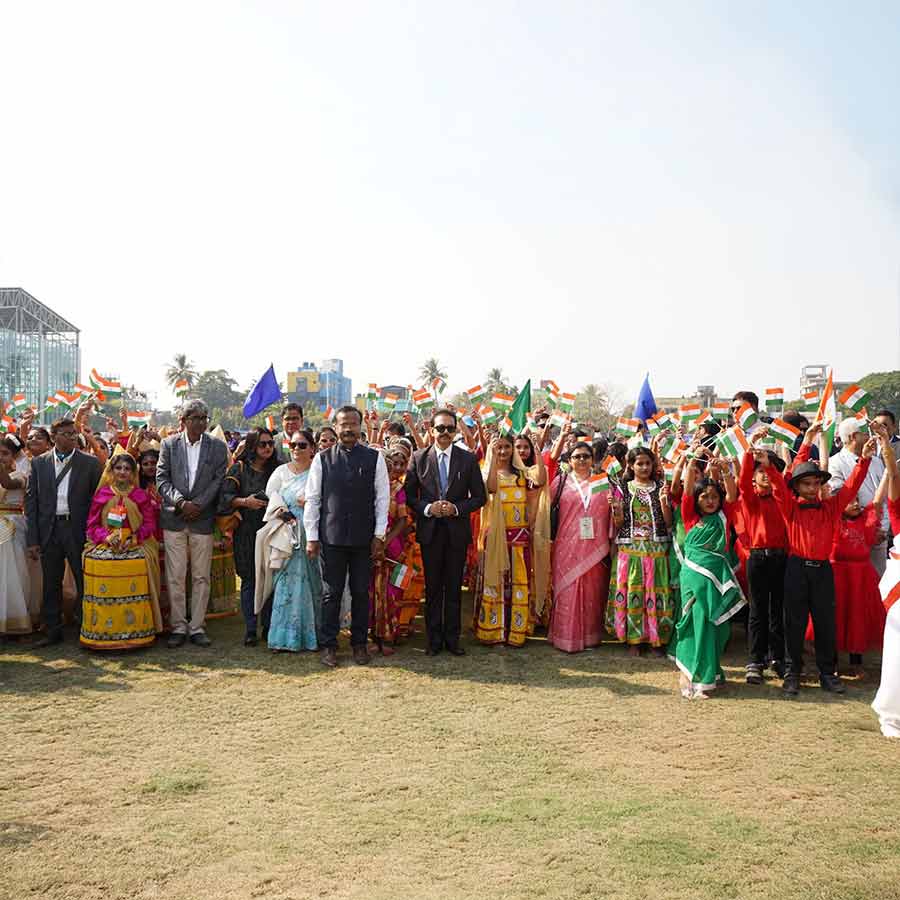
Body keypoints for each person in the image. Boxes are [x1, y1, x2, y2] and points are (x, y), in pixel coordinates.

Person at [764, 423, 874, 695]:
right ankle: (793, 673)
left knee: (826, 622)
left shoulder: (832, 507)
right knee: (794, 623)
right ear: (797, 486)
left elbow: (851, 486)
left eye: (816, 483)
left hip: (823, 570)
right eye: (806, 483)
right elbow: (778, 484)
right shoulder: (790, 507)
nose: (812, 488)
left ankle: (827, 673)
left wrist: (865, 459)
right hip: (796, 569)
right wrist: (805, 441)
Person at [304, 406, 389, 667]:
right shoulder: (322, 459)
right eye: (343, 424)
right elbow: (313, 499)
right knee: (331, 593)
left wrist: (379, 534)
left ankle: (359, 644)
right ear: (336, 427)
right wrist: (311, 536)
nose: (349, 428)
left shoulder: (374, 458)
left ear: (360, 426)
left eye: (353, 424)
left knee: (361, 592)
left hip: (364, 539)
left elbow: (382, 498)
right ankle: (329, 645)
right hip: (332, 537)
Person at [404, 408, 487, 655]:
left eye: (450, 428)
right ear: (432, 430)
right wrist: (428, 508)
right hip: (430, 532)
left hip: (456, 532)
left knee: (453, 588)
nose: (445, 433)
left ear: (455, 431)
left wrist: (456, 508)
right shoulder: (418, 458)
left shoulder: (468, 459)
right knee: (432, 588)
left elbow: (479, 497)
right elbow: (409, 496)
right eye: (440, 428)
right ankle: (433, 641)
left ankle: (452, 640)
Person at [669, 458, 745, 699]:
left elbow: (733, 495)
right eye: (704, 497)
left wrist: (725, 471)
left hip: (717, 579)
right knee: (696, 623)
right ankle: (690, 674)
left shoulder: (724, 516)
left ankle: (711, 671)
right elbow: (686, 493)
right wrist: (691, 464)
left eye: (714, 497)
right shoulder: (691, 518)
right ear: (697, 500)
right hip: (694, 579)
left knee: (718, 627)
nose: (710, 501)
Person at [156, 399, 228, 648]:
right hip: (174, 518)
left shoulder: (217, 447)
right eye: (194, 418)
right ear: (183, 420)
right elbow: (162, 479)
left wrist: (197, 504)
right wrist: (180, 503)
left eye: (203, 418)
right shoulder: (169, 444)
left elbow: (218, 480)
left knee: (200, 576)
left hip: (202, 518)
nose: (199, 422)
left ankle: (197, 626)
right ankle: (178, 626)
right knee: (175, 576)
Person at [25, 417, 102, 646]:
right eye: (66, 434)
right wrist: (33, 539)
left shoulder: (89, 463)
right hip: (49, 529)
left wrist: (94, 532)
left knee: (83, 579)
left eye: (73, 433)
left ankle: (86, 627)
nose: (72, 437)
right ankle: (52, 631)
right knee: (51, 582)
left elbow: (98, 502)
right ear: (54, 437)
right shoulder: (39, 463)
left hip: (77, 528)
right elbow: (31, 503)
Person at [80, 451, 163, 649]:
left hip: (136, 542)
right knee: (99, 560)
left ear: (133, 472)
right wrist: (107, 537)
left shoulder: (140, 495)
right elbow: (92, 525)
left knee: (137, 561)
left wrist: (133, 539)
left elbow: (149, 524)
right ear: (111, 471)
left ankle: (137, 632)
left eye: (127, 468)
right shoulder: (102, 494)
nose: (122, 472)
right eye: (118, 468)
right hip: (106, 542)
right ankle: (103, 632)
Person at [804, 476, 887, 672]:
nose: (856, 504)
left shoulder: (866, 521)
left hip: (861, 579)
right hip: (837, 577)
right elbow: (824, 497)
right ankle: (831, 661)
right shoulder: (832, 520)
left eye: (857, 500)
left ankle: (856, 660)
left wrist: (887, 473)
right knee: (834, 617)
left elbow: (877, 500)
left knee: (858, 617)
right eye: (850, 501)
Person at [474, 432, 546, 647]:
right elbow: (491, 488)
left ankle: (516, 632)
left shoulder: (522, 475)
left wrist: (537, 449)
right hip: (496, 538)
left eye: (507, 447)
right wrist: (492, 457)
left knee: (518, 585)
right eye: (499, 447)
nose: (503, 451)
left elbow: (541, 480)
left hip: (519, 539)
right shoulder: (487, 472)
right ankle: (494, 632)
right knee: (496, 583)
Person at [605, 446, 673, 656]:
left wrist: (664, 502)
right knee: (633, 591)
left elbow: (668, 522)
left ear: (653, 465)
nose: (644, 467)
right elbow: (618, 523)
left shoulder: (661, 486)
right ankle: (633, 639)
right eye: (639, 463)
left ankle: (656, 639)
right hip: (631, 549)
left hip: (656, 547)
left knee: (656, 591)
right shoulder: (623, 488)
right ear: (631, 466)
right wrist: (617, 509)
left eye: (647, 463)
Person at [547, 442, 611, 653]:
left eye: (586, 456)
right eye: (577, 456)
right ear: (570, 460)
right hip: (566, 545)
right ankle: (565, 637)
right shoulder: (560, 481)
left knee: (592, 592)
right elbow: (546, 508)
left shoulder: (600, 481)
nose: (582, 460)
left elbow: (607, 510)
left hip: (594, 546)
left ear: (593, 459)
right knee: (567, 590)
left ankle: (590, 637)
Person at [261, 429, 322, 652]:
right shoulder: (280, 472)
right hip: (286, 536)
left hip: (312, 535)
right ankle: (282, 638)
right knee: (284, 585)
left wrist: (312, 502)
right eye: (293, 445)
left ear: (312, 448)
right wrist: (282, 512)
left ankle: (310, 637)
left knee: (311, 583)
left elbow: (329, 499)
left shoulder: (318, 471)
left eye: (302, 445)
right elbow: (271, 498)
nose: (296, 449)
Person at [739, 430, 789, 684]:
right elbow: (742, 480)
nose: (765, 475)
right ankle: (755, 660)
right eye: (760, 471)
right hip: (758, 558)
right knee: (757, 611)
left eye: (770, 471)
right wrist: (751, 448)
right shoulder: (750, 499)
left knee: (778, 610)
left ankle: (778, 658)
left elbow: (780, 482)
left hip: (781, 558)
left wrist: (769, 466)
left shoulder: (783, 498)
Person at [221, 427, 279, 645]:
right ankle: (251, 629)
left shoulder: (278, 469)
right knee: (249, 580)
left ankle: (269, 627)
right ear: (253, 446)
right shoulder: (239, 469)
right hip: (246, 531)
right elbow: (225, 498)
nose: (267, 448)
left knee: (271, 579)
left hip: (272, 530)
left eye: (270, 443)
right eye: (263, 444)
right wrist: (246, 502)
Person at [828, 417, 888, 578]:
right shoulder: (835, 463)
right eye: (865, 433)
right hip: (852, 537)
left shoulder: (876, 462)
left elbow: (884, 497)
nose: (869, 436)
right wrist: (865, 528)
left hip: (880, 532)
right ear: (854, 436)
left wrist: (882, 526)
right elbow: (840, 500)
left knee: (878, 583)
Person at [369, 447, 413, 654]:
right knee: (370, 592)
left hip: (392, 546)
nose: (386, 472)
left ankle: (388, 635)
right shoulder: (367, 488)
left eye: (387, 468)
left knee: (391, 592)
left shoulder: (398, 489)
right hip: (369, 546)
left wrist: (384, 543)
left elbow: (403, 520)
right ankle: (372, 635)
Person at [872, 425, 900, 737]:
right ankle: (892, 716)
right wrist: (887, 447)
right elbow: (892, 474)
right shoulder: (897, 506)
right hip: (899, 587)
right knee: (897, 649)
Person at [0, 435, 32, 636]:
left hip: (13, 527)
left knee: (14, 575)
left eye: (4, 453)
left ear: (14, 456)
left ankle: (14, 621)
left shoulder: (21, 475)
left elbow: (8, 483)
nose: (1, 457)